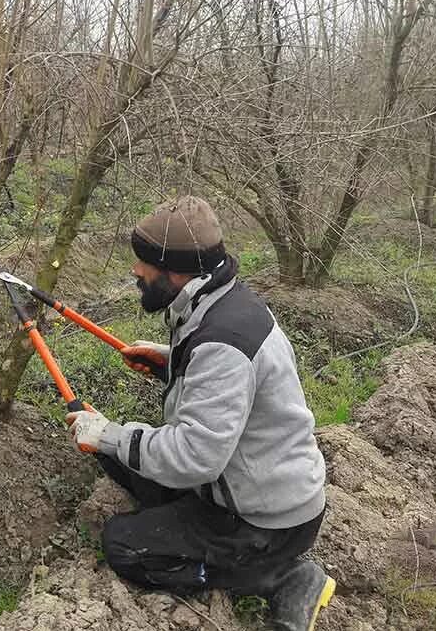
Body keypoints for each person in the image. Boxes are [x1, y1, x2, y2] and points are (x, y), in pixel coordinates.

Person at [65, 196, 335, 631]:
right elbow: (231, 378)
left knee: (125, 545)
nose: (136, 271)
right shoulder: (225, 301)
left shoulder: (223, 341)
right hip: (246, 482)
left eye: (144, 263)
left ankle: (281, 577)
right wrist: (173, 360)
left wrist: (111, 434)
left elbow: (194, 456)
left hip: (262, 522)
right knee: (117, 455)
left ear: (175, 271)